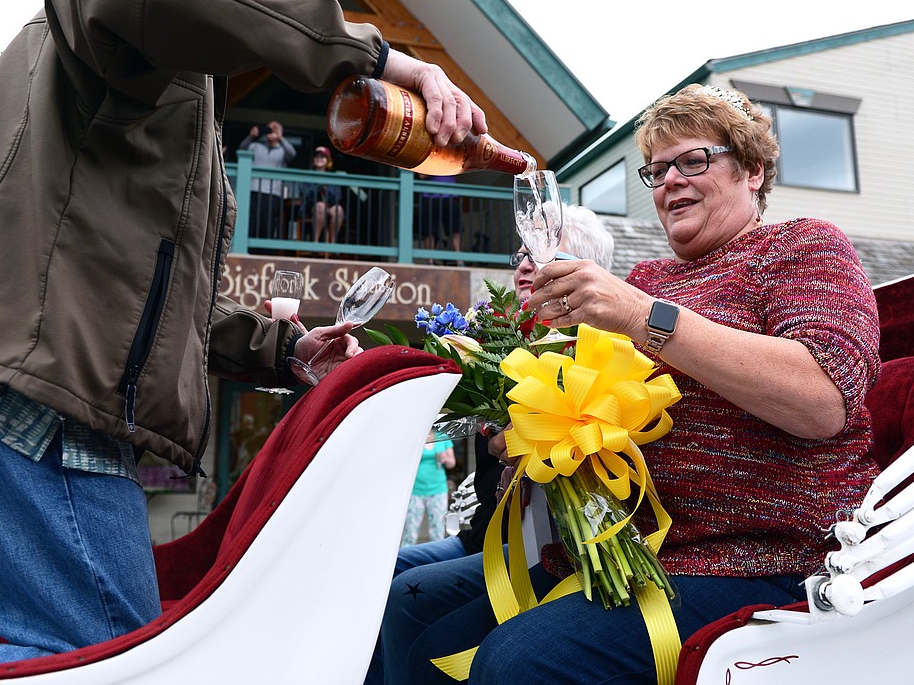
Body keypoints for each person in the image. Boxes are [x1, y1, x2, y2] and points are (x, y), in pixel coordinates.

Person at [0, 0, 487, 670]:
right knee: (108, 661)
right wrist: (380, 57)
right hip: (19, 385)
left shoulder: (164, 107)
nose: (241, 14)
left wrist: (282, 348)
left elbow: (161, 298)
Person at [371, 84, 881, 684]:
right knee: (418, 628)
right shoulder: (649, 275)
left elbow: (822, 402)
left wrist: (644, 315)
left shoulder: (802, 246)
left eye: (693, 161)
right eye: (658, 169)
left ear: (753, 170)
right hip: (619, 551)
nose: (670, 180)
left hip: (752, 558)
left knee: (516, 661)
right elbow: (595, 408)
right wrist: (537, 442)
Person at [393, 204, 615, 572]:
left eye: (541, 254)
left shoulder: (595, 352)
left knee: (405, 595)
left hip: (540, 549)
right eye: (521, 255)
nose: (524, 266)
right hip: (481, 535)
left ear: (584, 270)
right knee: (384, 570)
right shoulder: (492, 342)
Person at [240, 120, 297, 239]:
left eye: (275, 129)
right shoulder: (255, 146)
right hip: (254, 189)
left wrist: (281, 138)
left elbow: (292, 154)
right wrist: (250, 137)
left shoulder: (283, 150)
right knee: (252, 223)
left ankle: (265, 252)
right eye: (269, 129)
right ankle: (249, 252)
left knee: (268, 225)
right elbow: (242, 149)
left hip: (273, 193)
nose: (271, 132)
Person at [401, 428, 456, 548]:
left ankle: (437, 561)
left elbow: (452, 463)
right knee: (410, 532)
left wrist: (445, 458)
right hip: (416, 490)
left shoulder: (442, 437)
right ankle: (402, 561)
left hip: (438, 489)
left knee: (438, 531)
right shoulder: (415, 436)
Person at [303, 145, 345, 247]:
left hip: (330, 205)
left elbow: (337, 197)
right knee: (320, 206)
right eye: (317, 156)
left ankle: (333, 244)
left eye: (322, 157)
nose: (319, 159)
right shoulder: (308, 175)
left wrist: (327, 190)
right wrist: (318, 187)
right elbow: (305, 195)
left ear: (328, 161)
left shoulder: (333, 177)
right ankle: (315, 243)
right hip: (311, 207)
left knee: (338, 210)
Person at [417, 174, 462, 261]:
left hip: (450, 195)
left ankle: (459, 259)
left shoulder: (451, 160)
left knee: (455, 229)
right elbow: (421, 175)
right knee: (429, 231)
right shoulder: (428, 160)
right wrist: (438, 168)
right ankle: (429, 260)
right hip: (430, 195)